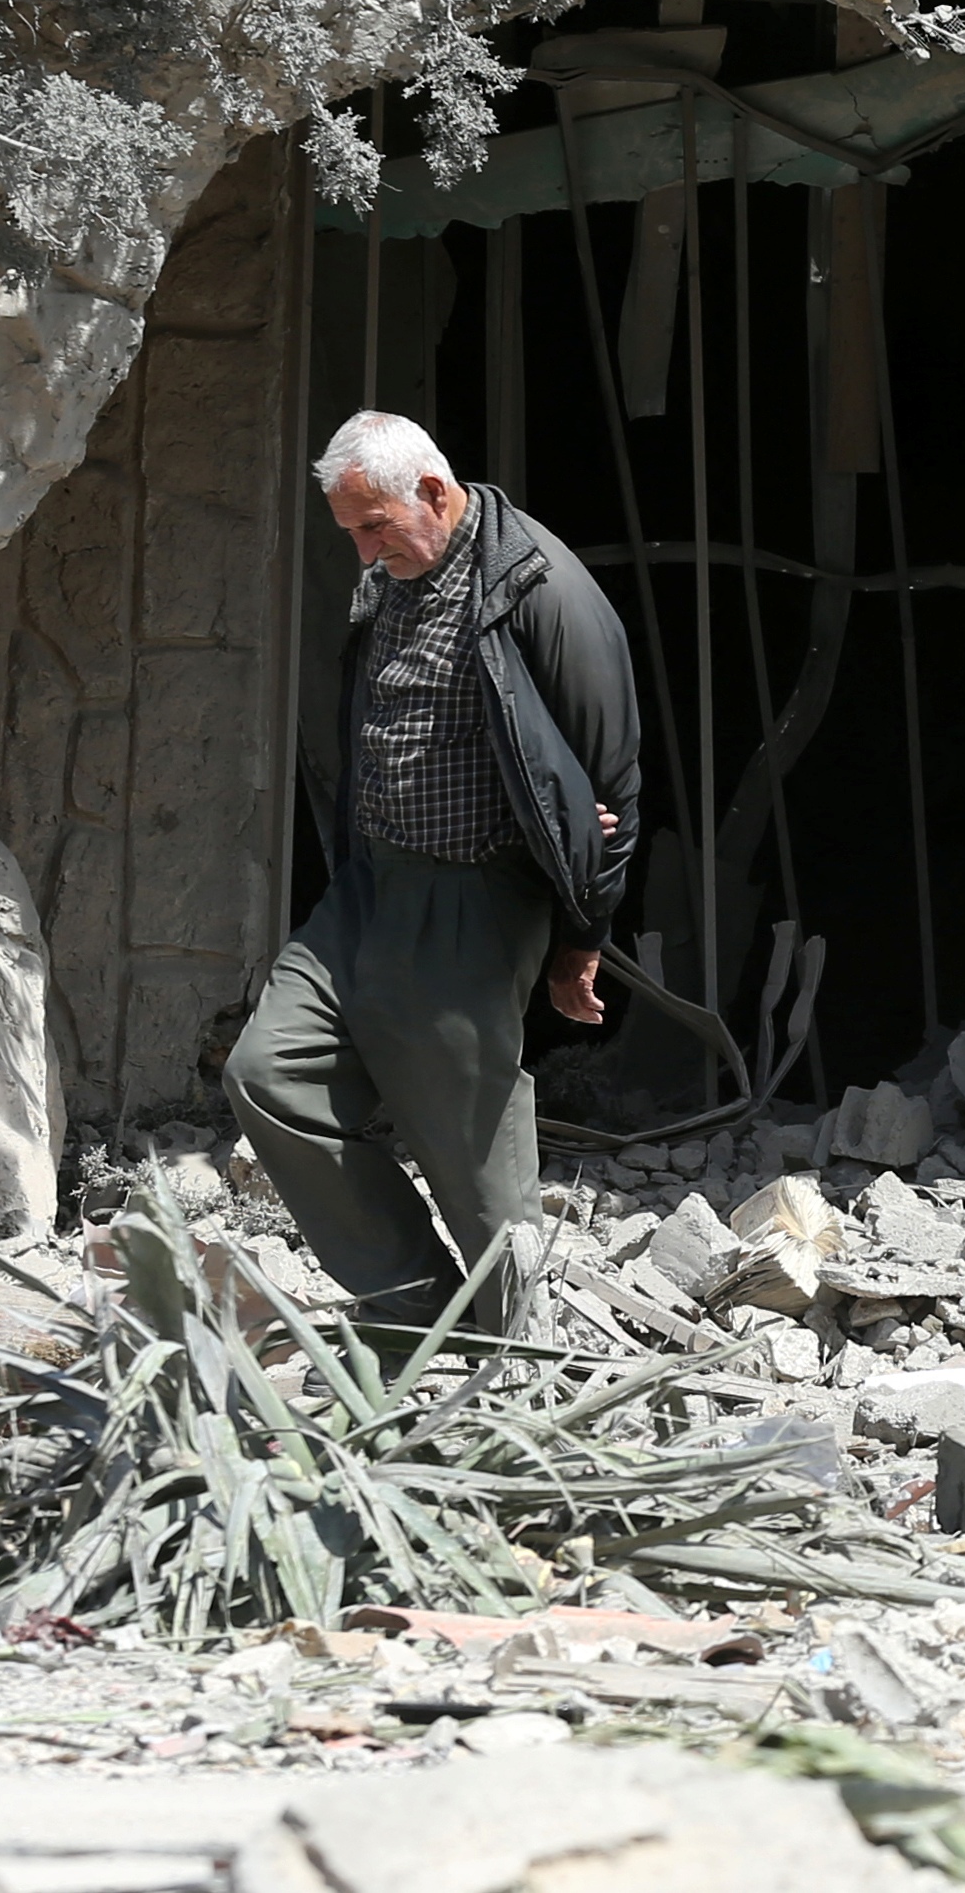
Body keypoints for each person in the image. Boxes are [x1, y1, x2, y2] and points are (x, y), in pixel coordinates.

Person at [225, 412, 643, 1329]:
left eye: (373, 525)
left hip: (470, 893)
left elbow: (611, 778)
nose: (365, 548)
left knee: (467, 1137)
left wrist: (583, 938)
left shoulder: (541, 587)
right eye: (352, 533)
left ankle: (516, 1346)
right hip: (371, 881)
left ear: (434, 490)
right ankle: (412, 1303)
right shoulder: (392, 571)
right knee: (268, 1071)